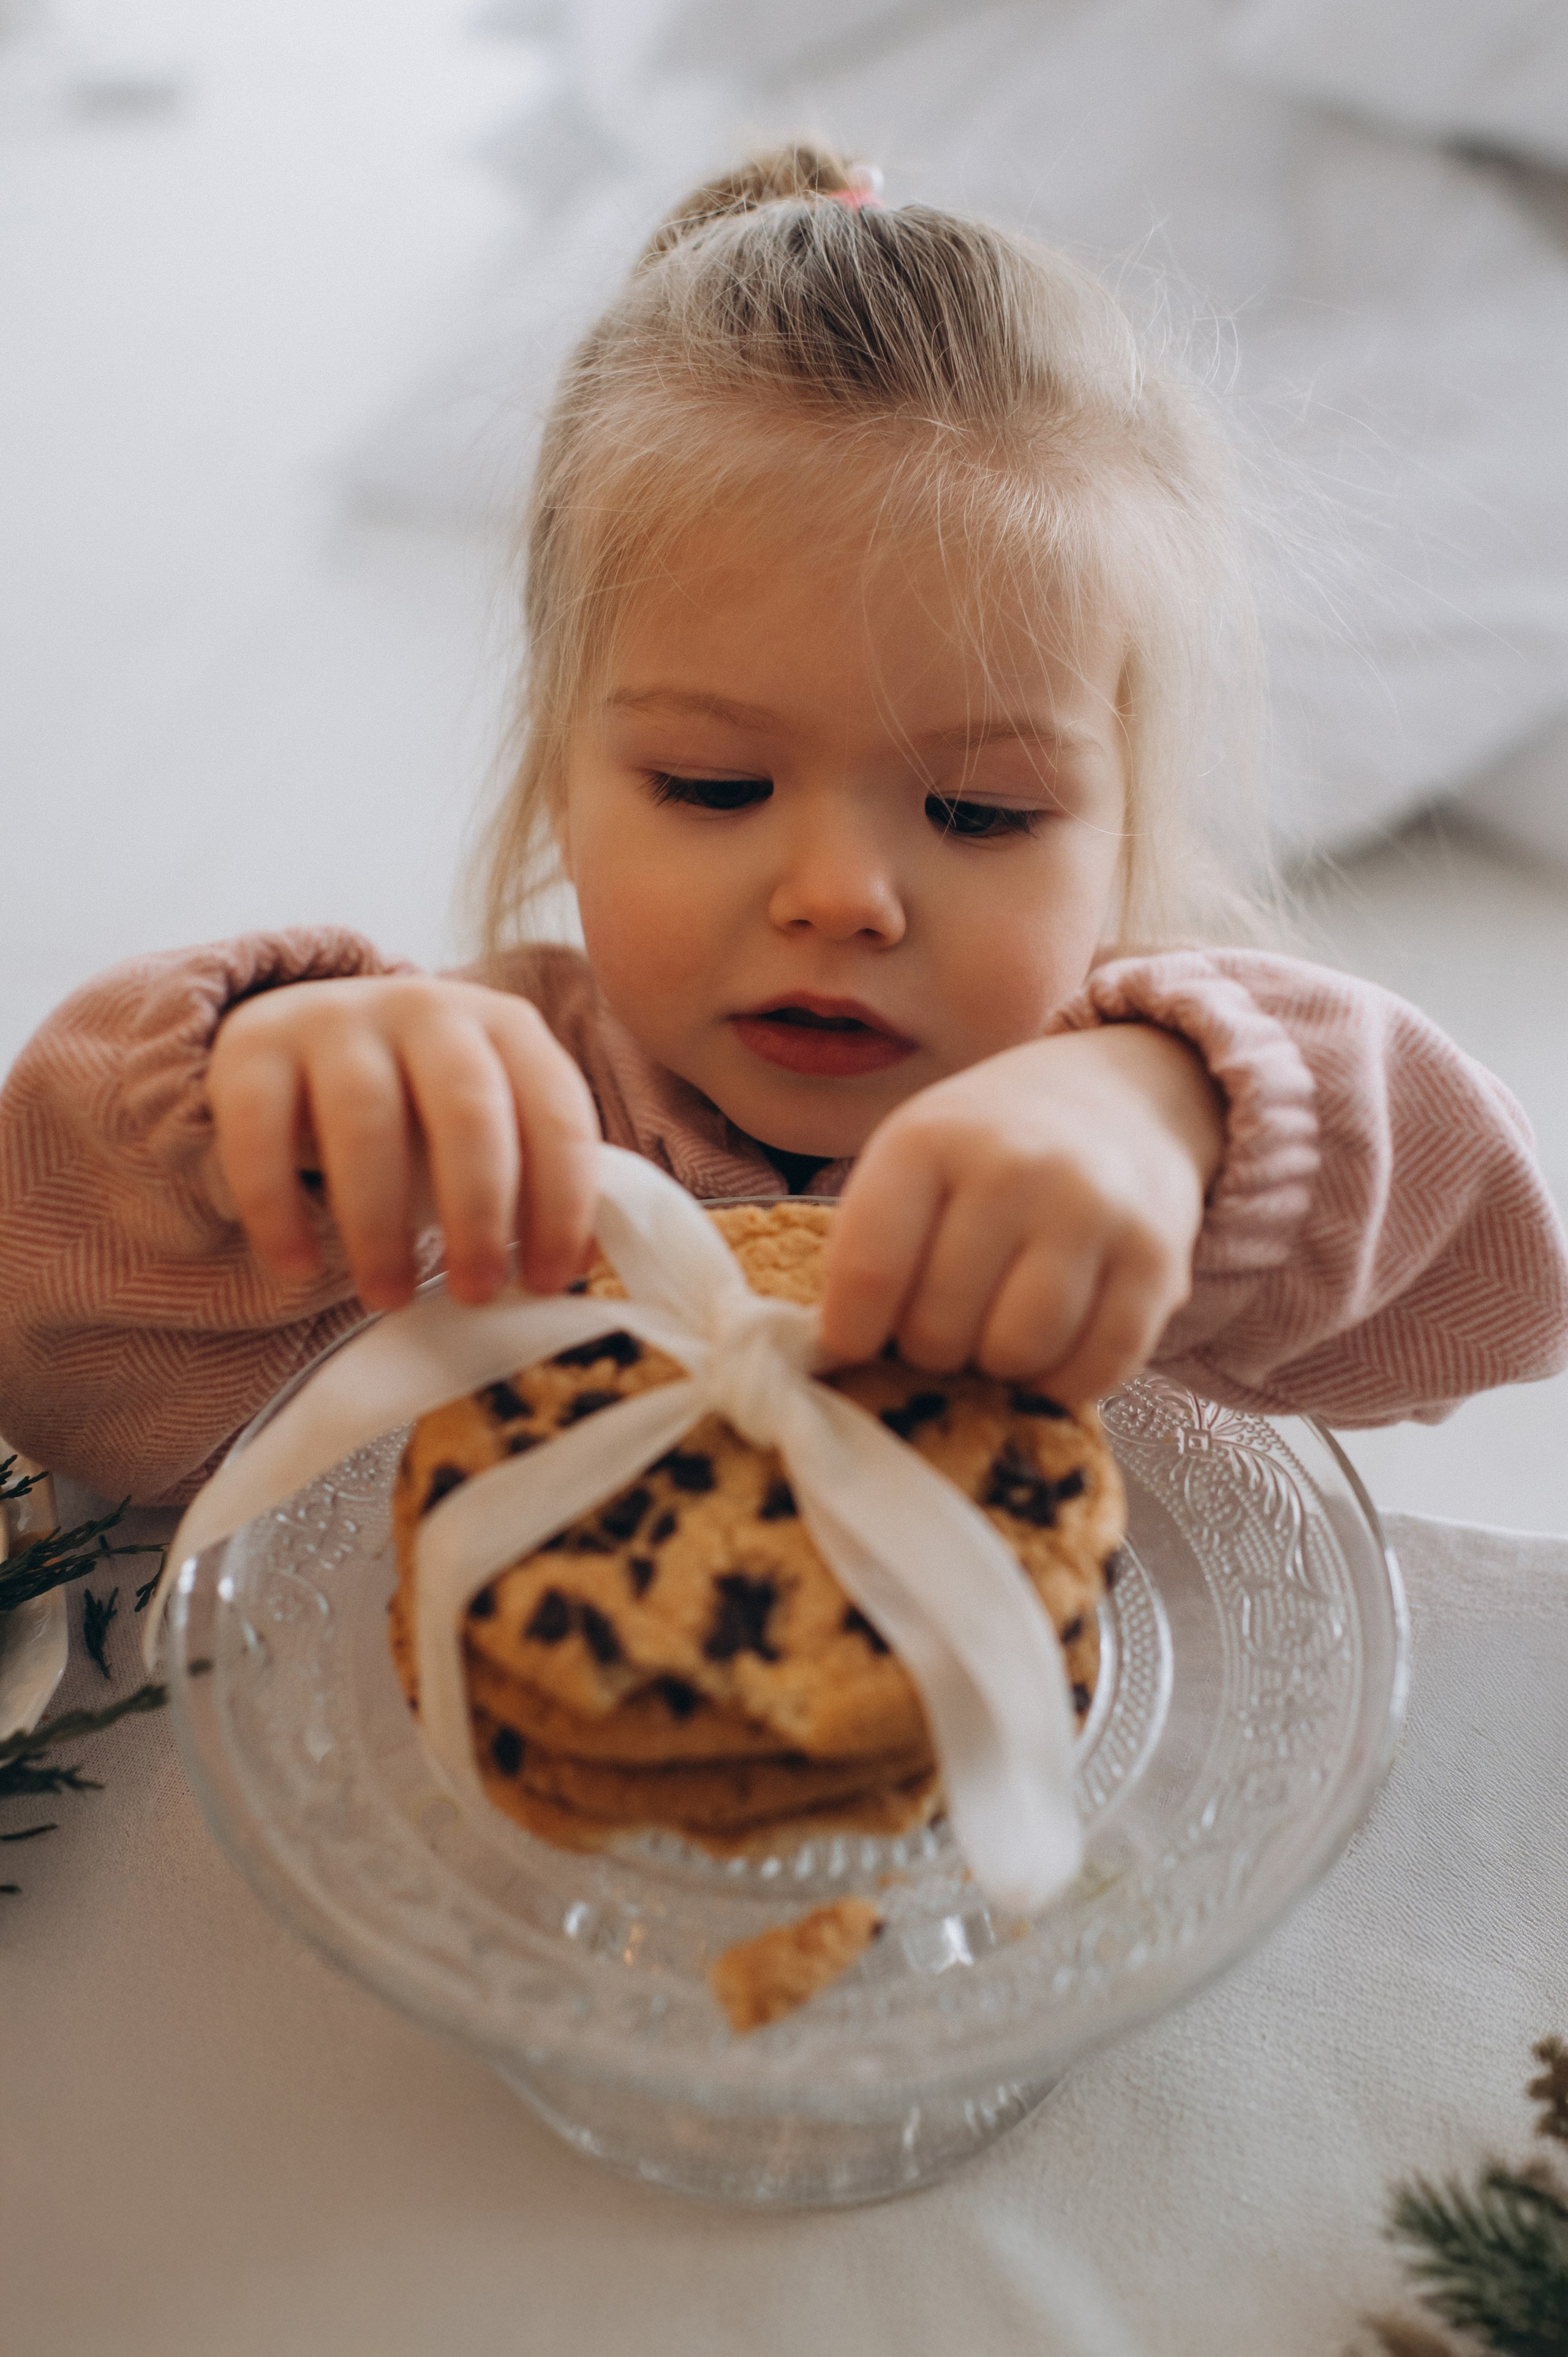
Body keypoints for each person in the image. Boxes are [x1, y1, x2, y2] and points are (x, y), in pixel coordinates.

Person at [1, 146, 1564, 1510]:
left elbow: (1494, 1294)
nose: (836, 898)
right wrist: (231, 1109)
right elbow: (55, 1359)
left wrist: (1177, 1114)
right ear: (561, 774)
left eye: (977, 809)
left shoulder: (1147, 1136)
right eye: (711, 786)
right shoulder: (468, 1129)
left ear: (1117, 819)